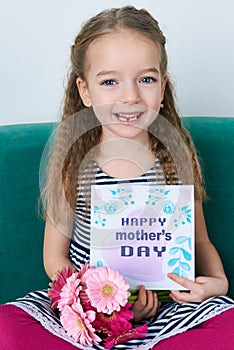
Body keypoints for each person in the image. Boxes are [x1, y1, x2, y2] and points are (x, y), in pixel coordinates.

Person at [0, 5, 234, 350]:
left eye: (146, 79)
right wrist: (98, 303)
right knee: (10, 327)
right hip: (89, 312)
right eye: (110, 82)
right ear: (85, 91)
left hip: (167, 310)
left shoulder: (175, 156)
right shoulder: (73, 163)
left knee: (227, 328)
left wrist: (217, 284)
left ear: (163, 85)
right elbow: (54, 259)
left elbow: (200, 243)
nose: (130, 96)